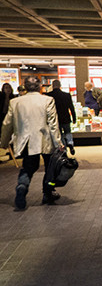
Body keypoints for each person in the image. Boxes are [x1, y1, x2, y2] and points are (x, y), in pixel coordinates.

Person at [0, 75, 63, 210]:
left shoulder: (15, 102)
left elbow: (7, 124)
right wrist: (58, 143)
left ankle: (22, 187)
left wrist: (4, 142)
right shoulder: (47, 100)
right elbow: (53, 124)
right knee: (49, 168)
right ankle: (47, 193)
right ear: (40, 85)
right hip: (44, 140)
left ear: (24, 86)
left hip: (27, 142)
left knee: (28, 168)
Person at [47, 79, 76, 155]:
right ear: (60, 86)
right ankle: (70, 142)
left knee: (60, 135)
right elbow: (71, 107)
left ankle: (64, 150)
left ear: (52, 86)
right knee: (68, 132)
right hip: (66, 117)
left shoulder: (49, 96)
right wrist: (74, 118)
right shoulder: (66, 95)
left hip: (55, 119)